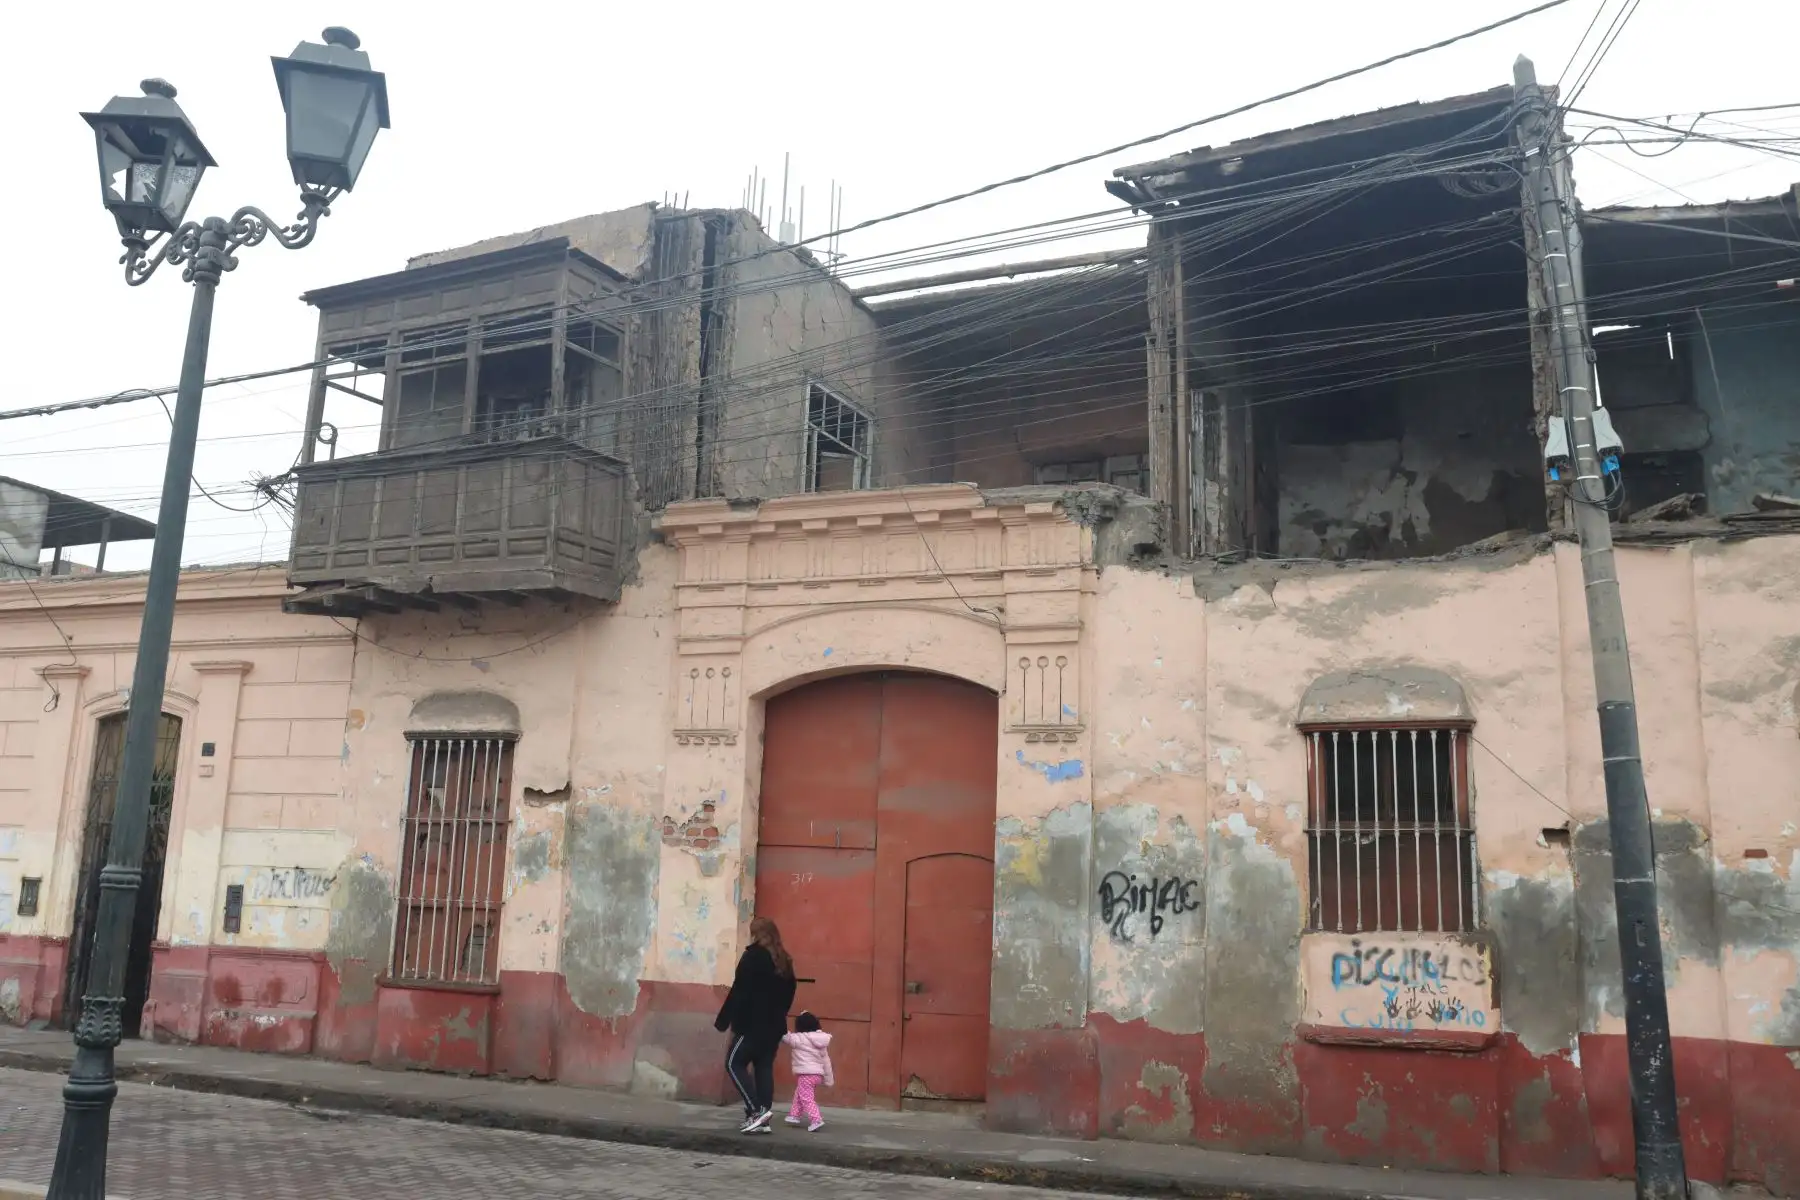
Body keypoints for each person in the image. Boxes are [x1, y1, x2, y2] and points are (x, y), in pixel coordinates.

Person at [714, 915, 797, 1133]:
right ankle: (763, 1118)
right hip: (774, 1027)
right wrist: (779, 1015)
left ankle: (756, 1111)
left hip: (751, 1025)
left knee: (734, 1063)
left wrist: (724, 1020)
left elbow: (739, 991)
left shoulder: (752, 957)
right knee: (763, 1067)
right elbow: (790, 993)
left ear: (756, 935)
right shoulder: (784, 960)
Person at [781, 1011, 834, 1132]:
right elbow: (826, 1061)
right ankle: (794, 1115)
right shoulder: (822, 1040)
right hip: (817, 1075)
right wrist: (828, 1079)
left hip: (806, 1074)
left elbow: (785, 1037)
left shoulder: (799, 1038)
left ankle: (816, 1119)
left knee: (806, 1098)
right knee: (800, 1093)